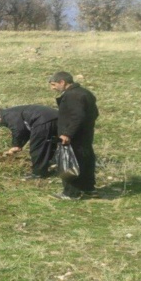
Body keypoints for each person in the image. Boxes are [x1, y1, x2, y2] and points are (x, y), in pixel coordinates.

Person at [48, 71, 99, 200]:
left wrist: (67, 133)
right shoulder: (85, 92)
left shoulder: (72, 95)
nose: (52, 88)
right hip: (85, 133)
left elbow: (77, 116)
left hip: (73, 135)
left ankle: (71, 193)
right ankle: (88, 188)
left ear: (62, 82)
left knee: (70, 162)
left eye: (54, 84)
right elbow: (94, 113)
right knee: (85, 160)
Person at [0, 105, 59, 179]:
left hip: (42, 121)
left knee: (37, 147)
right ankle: (51, 164)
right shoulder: (14, 111)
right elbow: (26, 131)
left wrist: (15, 145)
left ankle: (39, 173)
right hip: (56, 117)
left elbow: (18, 129)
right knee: (50, 143)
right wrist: (19, 146)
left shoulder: (7, 115)